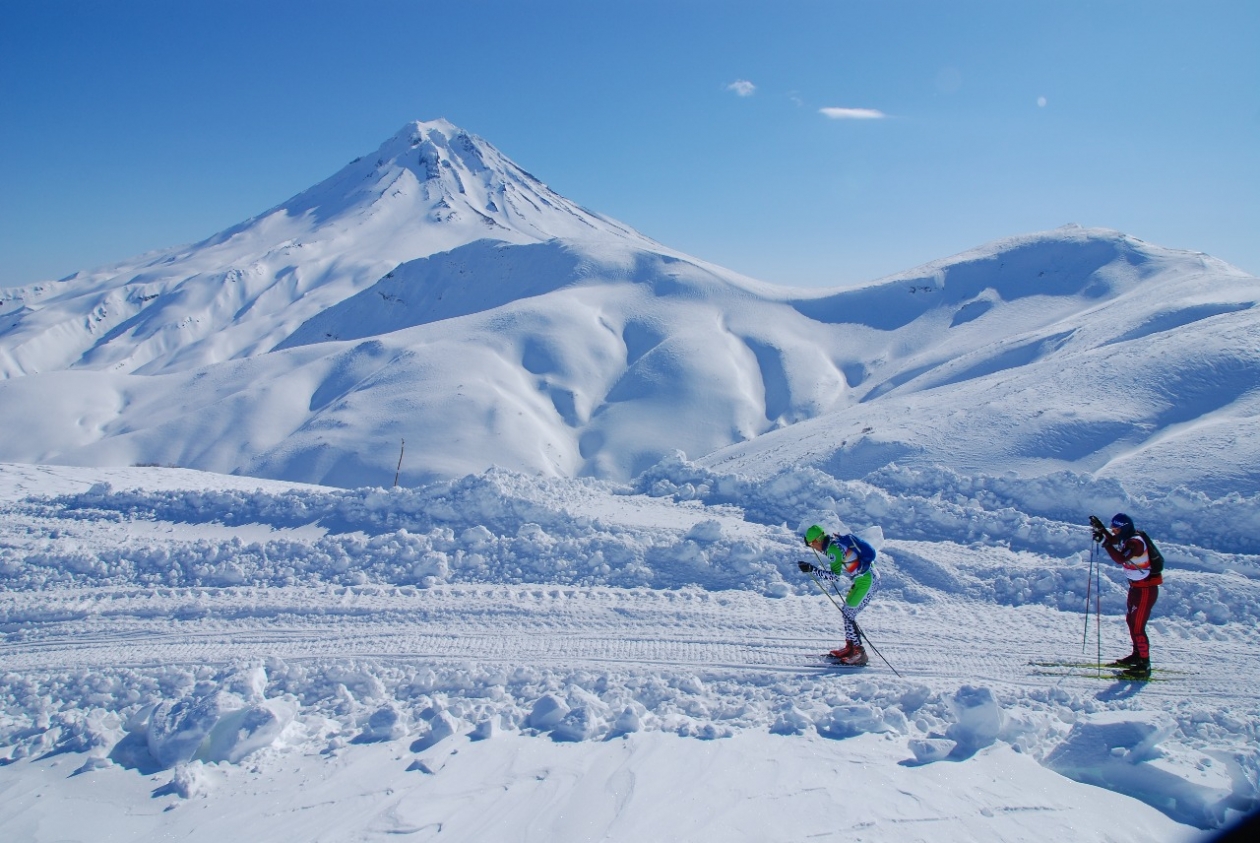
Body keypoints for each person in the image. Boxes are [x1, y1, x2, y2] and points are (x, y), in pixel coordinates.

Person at [1091, 512, 1163, 679]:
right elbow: (1114, 540)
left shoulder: (1135, 543)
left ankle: (1144, 665)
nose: (1113, 532)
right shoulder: (1128, 536)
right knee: (1131, 622)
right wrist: (1102, 529)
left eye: (1115, 529)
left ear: (1123, 528)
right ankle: (1137, 656)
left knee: (1138, 627)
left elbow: (1120, 558)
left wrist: (1104, 542)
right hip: (1136, 588)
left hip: (1146, 589)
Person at [797, 524, 880, 666]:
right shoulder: (834, 545)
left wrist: (812, 569)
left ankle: (859, 653)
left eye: (811, 545)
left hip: (867, 580)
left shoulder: (833, 549)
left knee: (849, 613)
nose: (813, 548)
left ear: (817, 541)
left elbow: (834, 577)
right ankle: (851, 648)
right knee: (847, 612)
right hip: (863, 579)